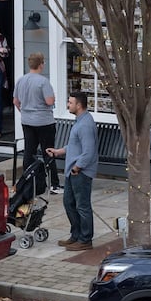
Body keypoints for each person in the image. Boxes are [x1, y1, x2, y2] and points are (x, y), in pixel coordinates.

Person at [46, 91, 96, 250]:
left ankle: (85, 239)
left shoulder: (86, 124)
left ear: (79, 105)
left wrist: (77, 167)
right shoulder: (79, 121)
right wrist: (59, 151)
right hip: (72, 171)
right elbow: (76, 146)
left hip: (80, 172)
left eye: (70, 102)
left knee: (82, 206)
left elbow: (88, 151)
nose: (68, 105)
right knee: (69, 203)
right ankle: (76, 235)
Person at [14, 51, 59, 193]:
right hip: (44, 121)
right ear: (41, 64)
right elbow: (49, 101)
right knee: (49, 152)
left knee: (29, 151)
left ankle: (28, 179)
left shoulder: (21, 80)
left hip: (27, 121)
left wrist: (25, 112)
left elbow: (16, 101)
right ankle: (54, 184)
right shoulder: (43, 81)